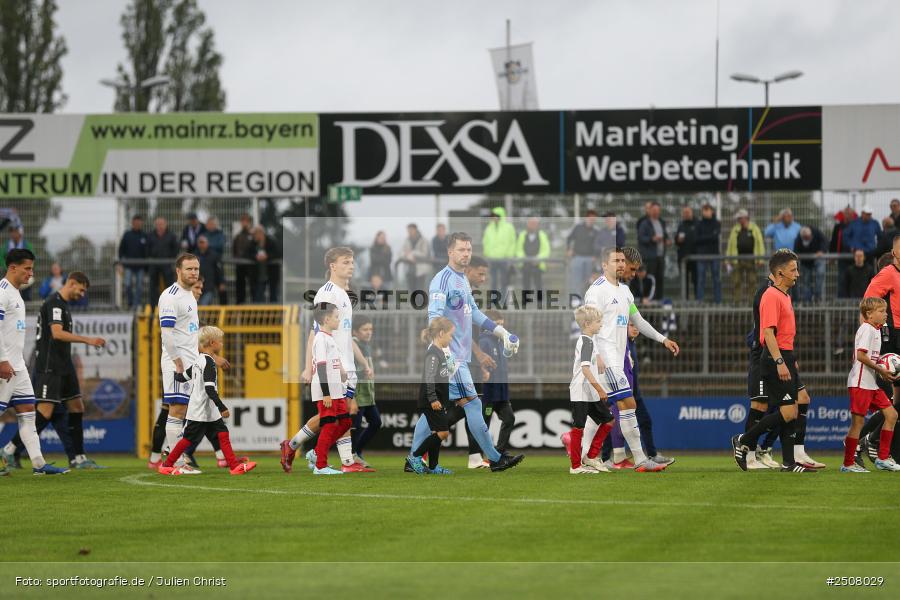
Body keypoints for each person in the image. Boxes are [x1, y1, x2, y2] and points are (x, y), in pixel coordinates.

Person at [407, 232, 524, 472]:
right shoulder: (442, 280)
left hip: (458, 357)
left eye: (469, 249)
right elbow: (434, 316)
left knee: (433, 410)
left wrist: (501, 332)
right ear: (450, 252)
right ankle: (495, 458)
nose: (466, 254)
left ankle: (413, 458)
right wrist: (444, 353)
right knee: (473, 404)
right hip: (451, 358)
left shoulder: (462, 280)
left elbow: (475, 314)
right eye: (461, 249)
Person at [582, 246, 680, 472]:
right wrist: (596, 355)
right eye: (618, 262)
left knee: (601, 411)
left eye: (622, 262)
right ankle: (640, 459)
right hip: (605, 359)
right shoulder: (596, 291)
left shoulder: (625, 292)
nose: (627, 269)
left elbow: (639, 321)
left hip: (617, 358)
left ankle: (580, 452)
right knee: (628, 403)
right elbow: (587, 326)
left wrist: (663, 339)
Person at [2, 271, 106, 470]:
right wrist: (88, 340)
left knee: (77, 406)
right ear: (72, 283)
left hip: (64, 364)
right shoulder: (54, 302)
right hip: (50, 365)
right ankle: (10, 448)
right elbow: (57, 333)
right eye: (81, 290)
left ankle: (79, 458)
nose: (82, 294)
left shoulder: (63, 304)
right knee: (44, 411)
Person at [282, 247, 370, 474]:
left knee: (342, 415)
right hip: (331, 365)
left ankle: (342, 460)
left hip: (345, 365)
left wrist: (358, 363)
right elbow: (315, 332)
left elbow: (345, 334)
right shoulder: (326, 293)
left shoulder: (344, 294)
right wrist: (307, 366)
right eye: (346, 262)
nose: (351, 266)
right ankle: (297, 447)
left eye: (352, 262)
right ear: (332, 266)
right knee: (331, 415)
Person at [732, 250, 816, 472]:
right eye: (793, 270)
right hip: (773, 357)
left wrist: (789, 358)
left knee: (792, 409)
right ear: (780, 273)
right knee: (786, 411)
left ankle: (789, 462)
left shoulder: (784, 295)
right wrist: (779, 362)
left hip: (785, 354)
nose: (797, 274)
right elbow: (767, 333)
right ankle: (744, 439)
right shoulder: (770, 295)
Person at [0, 249, 68, 475]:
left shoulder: (16, 293)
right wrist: (2, 361)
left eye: (32, 268)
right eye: (27, 268)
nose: (31, 273)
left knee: (29, 410)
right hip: (5, 366)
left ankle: (39, 464)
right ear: (13, 268)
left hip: (17, 366)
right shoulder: (2, 292)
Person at [158, 326, 256, 476]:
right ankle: (167, 464)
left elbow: (183, 377)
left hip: (206, 408)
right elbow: (210, 389)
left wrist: (174, 374)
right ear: (212, 343)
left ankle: (234, 466)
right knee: (187, 440)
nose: (222, 344)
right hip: (200, 409)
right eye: (220, 341)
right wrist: (222, 407)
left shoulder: (198, 360)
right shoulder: (209, 363)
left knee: (223, 433)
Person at [147, 253, 203, 474]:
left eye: (196, 269)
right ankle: (175, 463)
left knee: (187, 411)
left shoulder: (189, 296)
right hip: (177, 364)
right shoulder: (170, 297)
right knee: (177, 410)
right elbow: (167, 334)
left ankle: (174, 458)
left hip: (191, 363)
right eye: (189, 269)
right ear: (178, 271)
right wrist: (178, 362)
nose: (194, 273)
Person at [841, 297, 900, 472]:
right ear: (869, 314)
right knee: (857, 424)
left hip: (870, 384)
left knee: (892, 415)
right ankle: (848, 464)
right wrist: (881, 370)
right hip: (860, 383)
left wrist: (881, 370)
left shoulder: (875, 330)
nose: (885, 314)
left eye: (885, 311)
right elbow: (861, 356)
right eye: (881, 311)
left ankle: (883, 458)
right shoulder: (867, 329)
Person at [563, 304, 614, 474]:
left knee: (609, 420)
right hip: (580, 390)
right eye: (598, 321)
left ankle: (590, 457)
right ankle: (575, 466)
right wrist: (600, 389)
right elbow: (585, 369)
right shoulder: (586, 342)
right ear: (587, 324)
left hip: (589, 391)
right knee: (579, 427)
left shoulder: (589, 341)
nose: (601, 324)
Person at [408, 317, 457, 475]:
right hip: (431, 401)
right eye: (450, 335)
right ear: (441, 333)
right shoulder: (433, 353)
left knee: (437, 432)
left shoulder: (441, 352)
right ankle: (415, 457)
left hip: (438, 400)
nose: (451, 338)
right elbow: (429, 378)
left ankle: (434, 466)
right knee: (443, 433)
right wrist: (433, 398)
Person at [478, 309, 516, 455]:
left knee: (509, 419)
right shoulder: (483, 342)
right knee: (484, 424)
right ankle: (481, 456)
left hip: (501, 393)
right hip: (488, 394)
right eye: (498, 325)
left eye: (502, 325)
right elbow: (479, 365)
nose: (501, 329)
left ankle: (499, 452)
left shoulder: (501, 342)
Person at [350, 315, 381, 467]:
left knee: (376, 422)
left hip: (367, 395)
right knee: (354, 427)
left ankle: (356, 452)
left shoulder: (365, 345)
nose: (369, 332)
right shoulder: (352, 344)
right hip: (358, 394)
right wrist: (352, 397)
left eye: (370, 329)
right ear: (354, 332)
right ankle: (352, 456)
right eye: (364, 329)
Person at [726, 209, 765, 306]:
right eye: (738, 218)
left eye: (740, 218)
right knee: (736, 281)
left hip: (752, 259)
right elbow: (730, 245)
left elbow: (760, 244)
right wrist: (727, 260)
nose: (739, 220)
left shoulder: (754, 228)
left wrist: (760, 259)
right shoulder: (735, 229)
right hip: (737, 259)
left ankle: (752, 303)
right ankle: (736, 303)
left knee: (752, 281)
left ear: (746, 218)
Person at [636, 201, 670, 300]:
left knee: (660, 279)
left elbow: (665, 236)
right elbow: (641, 238)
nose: (656, 212)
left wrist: (667, 241)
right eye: (654, 210)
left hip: (661, 256)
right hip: (650, 257)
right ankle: (650, 301)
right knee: (651, 279)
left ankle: (659, 300)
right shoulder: (644, 223)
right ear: (650, 210)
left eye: (657, 210)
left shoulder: (661, 222)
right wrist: (652, 239)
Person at [482, 207, 517, 297]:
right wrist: (487, 253)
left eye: (495, 215)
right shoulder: (489, 228)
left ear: (500, 216)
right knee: (493, 281)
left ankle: (503, 300)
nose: (493, 217)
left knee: (504, 281)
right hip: (492, 259)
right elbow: (485, 242)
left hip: (504, 259)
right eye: (492, 216)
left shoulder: (509, 227)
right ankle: (494, 299)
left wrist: (509, 255)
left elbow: (512, 242)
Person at [566, 210, 598, 301]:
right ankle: (576, 300)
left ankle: (587, 301)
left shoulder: (596, 231)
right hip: (577, 258)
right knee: (576, 280)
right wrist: (568, 249)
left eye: (593, 219)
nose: (592, 220)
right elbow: (569, 238)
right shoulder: (578, 228)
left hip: (590, 259)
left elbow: (597, 245)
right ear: (586, 218)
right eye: (590, 218)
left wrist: (595, 256)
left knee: (588, 281)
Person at [118, 215, 149, 308]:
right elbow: (121, 249)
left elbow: (147, 252)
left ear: (141, 223)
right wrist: (121, 263)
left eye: (139, 222)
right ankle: (130, 303)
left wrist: (146, 267)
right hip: (128, 265)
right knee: (127, 285)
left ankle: (137, 305)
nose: (137, 224)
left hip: (140, 266)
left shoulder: (145, 236)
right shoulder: (127, 235)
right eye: (135, 222)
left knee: (139, 286)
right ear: (132, 223)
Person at [148, 218, 179, 307]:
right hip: (154, 264)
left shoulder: (171, 235)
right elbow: (147, 248)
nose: (160, 226)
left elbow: (176, 248)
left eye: (162, 224)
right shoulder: (150, 235)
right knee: (153, 287)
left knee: (169, 286)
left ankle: (170, 305)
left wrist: (171, 258)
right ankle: (154, 307)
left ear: (166, 225)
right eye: (158, 224)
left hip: (167, 264)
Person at [694, 203, 721, 303]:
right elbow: (696, 239)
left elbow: (715, 237)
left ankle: (718, 302)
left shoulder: (716, 223)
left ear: (712, 211)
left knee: (716, 279)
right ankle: (700, 301)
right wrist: (710, 236)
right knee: (701, 279)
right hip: (702, 255)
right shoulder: (699, 224)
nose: (706, 212)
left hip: (714, 254)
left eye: (707, 209)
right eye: (704, 210)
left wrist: (703, 237)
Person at [516, 216, 550, 296]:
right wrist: (525, 258)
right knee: (526, 285)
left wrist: (538, 258)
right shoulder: (522, 235)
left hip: (538, 265)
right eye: (530, 223)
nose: (532, 225)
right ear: (527, 224)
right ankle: (526, 301)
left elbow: (546, 250)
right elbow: (518, 249)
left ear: (538, 225)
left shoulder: (542, 235)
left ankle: (540, 301)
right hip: (525, 264)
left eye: (534, 224)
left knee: (538, 285)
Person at [793, 225, 828, 304]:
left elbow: (825, 241)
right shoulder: (799, 238)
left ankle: (818, 297)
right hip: (806, 261)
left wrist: (822, 250)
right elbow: (796, 250)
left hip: (818, 257)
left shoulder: (816, 232)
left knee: (820, 274)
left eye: (808, 237)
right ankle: (807, 301)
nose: (807, 239)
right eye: (805, 238)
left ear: (811, 235)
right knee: (806, 280)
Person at [831, 206, 858, 298]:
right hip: (842, 257)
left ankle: (854, 300)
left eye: (850, 213)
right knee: (842, 279)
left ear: (853, 215)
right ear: (843, 215)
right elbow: (833, 241)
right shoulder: (838, 227)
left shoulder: (856, 226)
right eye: (846, 213)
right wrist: (832, 255)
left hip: (854, 258)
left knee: (854, 280)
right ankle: (841, 301)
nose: (848, 215)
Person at [251, 226, 281, 303]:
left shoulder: (271, 242)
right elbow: (248, 253)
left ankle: (274, 310)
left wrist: (267, 256)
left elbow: (278, 253)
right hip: (259, 275)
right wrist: (255, 257)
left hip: (272, 273)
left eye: (255, 234)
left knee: (273, 295)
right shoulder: (253, 244)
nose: (254, 236)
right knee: (258, 297)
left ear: (260, 233)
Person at [232, 213, 256, 305]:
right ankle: (240, 307)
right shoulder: (238, 236)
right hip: (240, 265)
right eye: (243, 221)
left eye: (246, 221)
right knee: (240, 288)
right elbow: (234, 250)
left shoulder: (253, 235)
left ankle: (255, 307)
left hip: (251, 266)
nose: (244, 223)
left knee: (253, 288)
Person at [675, 206, 698, 300]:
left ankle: (698, 300)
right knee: (684, 281)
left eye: (688, 212)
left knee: (696, 279)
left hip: (695, 257)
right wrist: (678, 240)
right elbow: (676, 240)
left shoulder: (697, 224)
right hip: (683, 257)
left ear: (692, 213)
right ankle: (685, 300)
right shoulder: (681, 225)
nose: (686, 214)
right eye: (684, 212)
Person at [6, 226, 34, 301]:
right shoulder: (6, 246)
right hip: (11, 274)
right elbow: (1, 258)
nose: (14, 234)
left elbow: (32, 259)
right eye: (12, 232)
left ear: (20, 233)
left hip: (24, 273)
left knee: (26, 296)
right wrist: (8, 267)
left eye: (16, 231)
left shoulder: (27, 245)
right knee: (10, 296)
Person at [195, 236, 225, 305]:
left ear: (207, 243)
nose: (201, 244)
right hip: (196, 285)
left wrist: (221, 282)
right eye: (200, 242)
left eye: (203, 242)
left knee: (204, 304)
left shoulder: (214, 255)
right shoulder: (194, 255)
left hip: (209, 286)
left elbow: (219, 270)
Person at [401, 223, 431, 293]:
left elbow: (425, 253)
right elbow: (402, 252)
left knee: (420, 290)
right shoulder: (406, 240)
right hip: (409, 269)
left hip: (421, 270)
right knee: (411, 290)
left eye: (411, 230)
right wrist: (407, 255)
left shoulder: (423, 240)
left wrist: (412, 253)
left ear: (415, 230)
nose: (409, 232)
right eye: (408, 230)